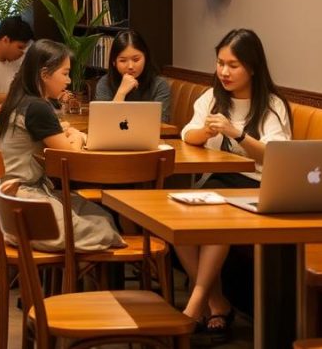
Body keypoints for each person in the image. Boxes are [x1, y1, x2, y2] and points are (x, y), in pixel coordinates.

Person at [177, 28, 291, 340]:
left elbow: (276, 156)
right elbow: (188, 133)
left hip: (254, 186)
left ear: (252, 67)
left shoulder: (271, 105)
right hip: (214, 181)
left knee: (217, 218)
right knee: (176, 221)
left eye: (233, 65)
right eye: (220, 63)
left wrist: (236, 133)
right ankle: (217, 301)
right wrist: (206, 132)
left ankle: (195, 304)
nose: (224, 72)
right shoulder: (213, 97)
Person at [0, 39, 125, 253]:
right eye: (65, 73)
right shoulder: (37, 107)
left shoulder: (20, 99)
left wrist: (66, 134)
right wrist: (77, 136)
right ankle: (85, 282)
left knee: (102, 215)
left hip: (10, 206)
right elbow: (70, 157)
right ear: (44, 74)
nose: (69, 81)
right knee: (103, 224)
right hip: (24, 208)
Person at [93, 30, 172, 121]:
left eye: (136, 59)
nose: (130, 66)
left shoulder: (159, 85)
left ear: (145, 58)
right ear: (114, 62)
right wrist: (121, 93)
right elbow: (104, 121)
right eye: (123, 60)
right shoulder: (105, 83)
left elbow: (161, 122)